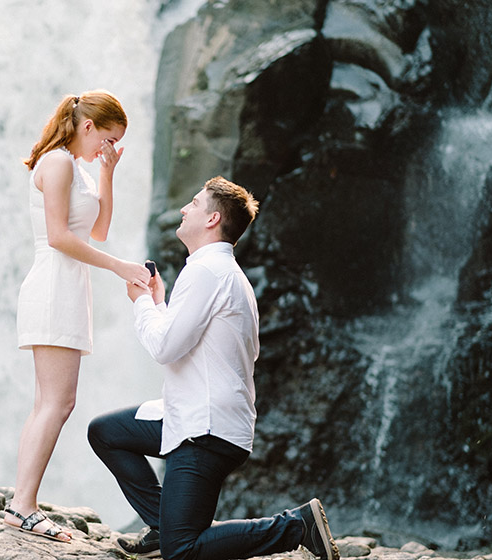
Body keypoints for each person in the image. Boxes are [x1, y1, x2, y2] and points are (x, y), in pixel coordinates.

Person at [87, 176, 339, 560]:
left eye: (193, 202)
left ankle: (296, 526)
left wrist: (140, 303)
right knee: (106, 432)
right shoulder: (220, 273)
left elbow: (165, 347)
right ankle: (163, 527)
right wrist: (157, 302)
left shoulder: (206, 272)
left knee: (183, 553)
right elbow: (186, 339)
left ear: (212, 219)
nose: (185, 208)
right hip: (191, 417)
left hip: (204, 429)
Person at [4, 90, 152, 543]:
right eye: (108, 140)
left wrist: (108, 173)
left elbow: (99, 231)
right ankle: (23, 506)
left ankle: (21, 502)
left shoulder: (82, 169)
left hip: (68, 289)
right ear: (88, 126)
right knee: (57, 403)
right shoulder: (58, 163)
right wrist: (120, 268)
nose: (107, 148)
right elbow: (57, 237)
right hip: (53, 286)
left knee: (51, 402)